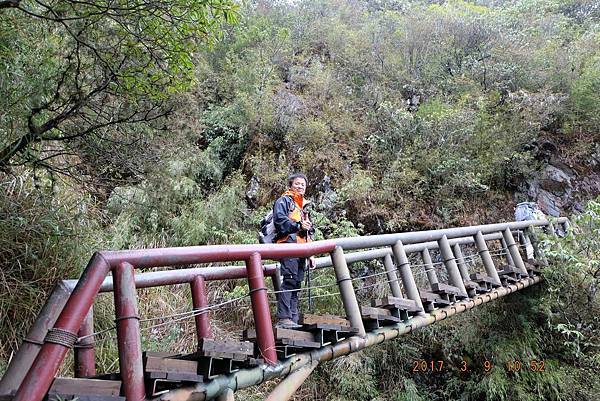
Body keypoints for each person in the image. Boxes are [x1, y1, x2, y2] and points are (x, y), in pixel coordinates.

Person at [273, 173, 315, 329]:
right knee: (290, 280)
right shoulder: (284, 201)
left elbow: (310, 231)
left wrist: (311, 254)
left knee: (297, 283)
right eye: (297, 184)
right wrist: (298, 225)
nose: (300, 186)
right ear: (290, 185)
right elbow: (280, 222)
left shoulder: (303, 207)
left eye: (303, 184)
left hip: (301, 249)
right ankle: (284, 318)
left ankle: (293, 319)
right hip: (288, 245)